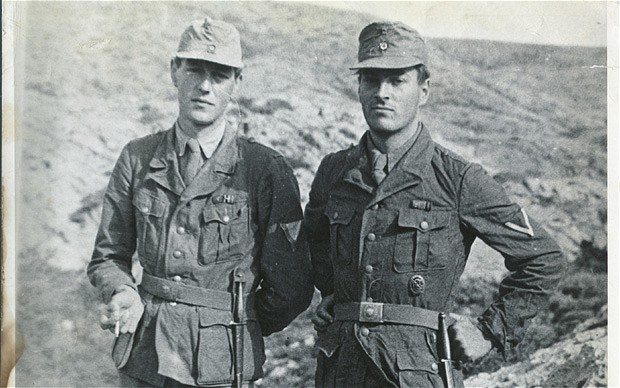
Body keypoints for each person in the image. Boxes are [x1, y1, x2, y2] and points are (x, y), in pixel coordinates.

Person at [304, 21, 566, 388]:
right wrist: (336, 294)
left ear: (423, 90)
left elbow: (544, 258)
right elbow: (315, 241)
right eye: (371, 80)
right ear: (359, 88)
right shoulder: (334, 171)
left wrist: (489, 332)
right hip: (341, 369)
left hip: (417, 372)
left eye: (397, 81)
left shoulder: (458, 178)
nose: (383, 93)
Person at [87, 17, 313, 388]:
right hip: (145, 357)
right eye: (194, 69)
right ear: (175, 71)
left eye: (220, 75)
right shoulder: (137, 157)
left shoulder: (263, 169)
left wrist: (237, 323)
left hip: (222, 364)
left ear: (236, 83)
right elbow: (108, 255)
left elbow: (291, 288)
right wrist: (124, 290)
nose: (205, 86)